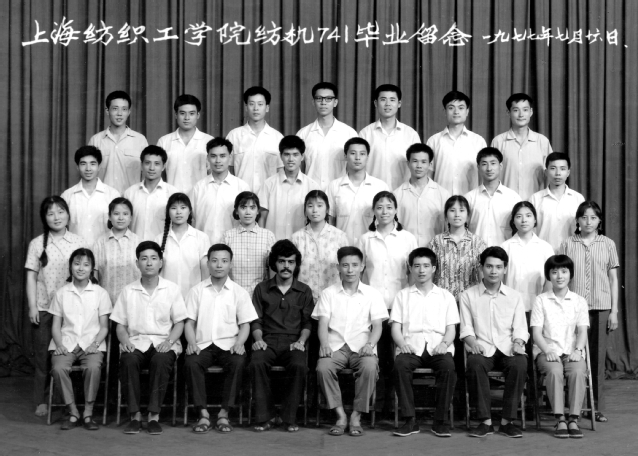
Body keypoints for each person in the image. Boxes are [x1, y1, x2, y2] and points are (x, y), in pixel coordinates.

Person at [110, 241, 187, 435]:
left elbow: (179, 322)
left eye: (153, 258)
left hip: (164, 342)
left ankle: (154, 416)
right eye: (144, 259)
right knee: (128, 360)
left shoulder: (172, 289)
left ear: (161, 262)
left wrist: (169, 342)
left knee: (161, 360)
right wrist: (125, 342)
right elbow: (120, 324)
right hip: (136, 342)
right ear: (137, 263)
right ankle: (135, 416)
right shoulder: (128, 291)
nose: (149, 263)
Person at [313, 247, 389, 437]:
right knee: (323, 367)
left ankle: (356, 416)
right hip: (335, 346)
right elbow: (323, 323)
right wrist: (324, 345)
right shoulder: (328, 293)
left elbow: (377, 326)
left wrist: (370, 345)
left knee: (370, 366)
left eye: (355, 265)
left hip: (362, 347)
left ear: (362, 267)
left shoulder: (372, 294)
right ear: (338, 267)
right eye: (345, 265)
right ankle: (340, 416)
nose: (350, 270)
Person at [183, 244, 257, 434]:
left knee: (238, 362)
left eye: (224, 261)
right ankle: (203, 414)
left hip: (229, 345)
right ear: (208, 263)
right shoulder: (197, 290)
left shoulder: (239, 292)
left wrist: (239, 343)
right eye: (214, 261)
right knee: (191, 362)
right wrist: (191, 343)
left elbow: (245, 324)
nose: (219, 265)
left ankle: (224, 414)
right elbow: (189, 322)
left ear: (230, 264)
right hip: (203, 345)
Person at [25, 196, 87, 417]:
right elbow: (31, 277)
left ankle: (71, 400)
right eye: (50, 213)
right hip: (45, 307)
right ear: (45, 218)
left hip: (72, 310)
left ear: (68, 214)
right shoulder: (37, 244)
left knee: (71, 352)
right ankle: (41, 400)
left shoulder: (79, 242)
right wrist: (33, 306)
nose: (56, 217)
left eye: (60, 212)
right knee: (43, 356)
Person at [559, 201, 619, 422]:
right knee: (573, 356)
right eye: (584, 217)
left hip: (600, 307)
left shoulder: (608, 244)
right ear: (577, 220)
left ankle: (596, 408)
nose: (588, 222)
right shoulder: (567, 244)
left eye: (593, 217)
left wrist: (614, 311)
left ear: (599, 221)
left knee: (597, 359)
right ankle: (574, 406)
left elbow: (613, 279)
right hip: (572, 309)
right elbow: (561, 277)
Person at [460, 247, 529, 438]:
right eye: (489, 266)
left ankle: (507, 422)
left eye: (498, 267)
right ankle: (486, 422)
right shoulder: (468, 295)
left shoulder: (515, 296)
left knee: (520, 364)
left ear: (505, 269)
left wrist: (518, 342)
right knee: (474, 363)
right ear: (481, 268)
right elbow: (466, 328)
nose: (493, 271)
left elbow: (521, 327)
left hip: (508, 346)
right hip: (482, 346)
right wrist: (473, 343)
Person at [391, 247, 458, 438]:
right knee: (400, 366)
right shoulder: (402, 295)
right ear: (410, 268)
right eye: (417, 266)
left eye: (426, 266)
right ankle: (410, 420)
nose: (421, 270)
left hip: (438, 346)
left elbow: (451, 328)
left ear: (434, 268)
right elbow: (395, 327)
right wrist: (402, 344)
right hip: (411, 347)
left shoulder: (446, 296)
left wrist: (444, 344)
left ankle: (440, 421)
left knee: (448, 368)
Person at [250, 240, 314, 432]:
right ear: (274, 263)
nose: (286, 266)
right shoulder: (262, 288)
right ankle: (266, 417)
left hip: (294, 342)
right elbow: (256, 320)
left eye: (291, 262)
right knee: (257, 362)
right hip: (267, 341)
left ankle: (288, 418)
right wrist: (259, 340)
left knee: (299, 365)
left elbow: (307, 323)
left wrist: (301, 342)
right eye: (282, 261)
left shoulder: (304, 290)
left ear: (296, 265)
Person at [49, 248, 112, 430]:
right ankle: (73, 412)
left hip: (92, 344)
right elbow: (56, 325)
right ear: (71, 267)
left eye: (86, 264)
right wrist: (59, 345)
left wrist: (95, 344)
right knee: (59, 368)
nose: (81, 268)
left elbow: (104, 327)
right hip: (66, 342)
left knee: (93, 368)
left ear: (92, 268)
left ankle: (88, 413)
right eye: (77, 264)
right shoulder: (61, 293)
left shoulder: (100, 293)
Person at [531, 255, 589, 439]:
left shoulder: (579, 301)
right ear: (548, 275)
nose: (559, 276)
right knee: (555, 371)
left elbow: (582, 331)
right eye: (554, 272)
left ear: (570, 274)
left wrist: (578, 350)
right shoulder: (541, 300)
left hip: (572, 352)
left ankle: (573, 418)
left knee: (578, 371)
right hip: (547, 351)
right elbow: (536, 333)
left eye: (564, 271)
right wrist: (547, 350)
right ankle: (560, 418)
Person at [326, 137, 389, 245]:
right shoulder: (334, 186)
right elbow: (330, 221)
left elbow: (387, 221)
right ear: (345, 156)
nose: (357, 158)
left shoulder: (380, 187)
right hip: (341, 246)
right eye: (353, 153)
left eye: (362, 154)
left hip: (372, 246)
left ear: (367, 157)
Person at [491, 93, 553, 200]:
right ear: (508, 112)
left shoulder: (542, 142)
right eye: (516, 110)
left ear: (531, 112)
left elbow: (550, 174)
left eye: (525, 110)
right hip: (505, 203)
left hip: (535, 204)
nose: (521, 115)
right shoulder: (498, 142)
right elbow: (491, 175)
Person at [296, 82, 358, 189]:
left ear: (335, 102)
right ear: (313, 102)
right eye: (319, 98)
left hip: (340, 192)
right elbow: (297, 167)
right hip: (310, 192)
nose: (323, 102)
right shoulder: (303, 134)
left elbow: (356, 167)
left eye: (328, 99)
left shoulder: (349, 133)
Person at [359, 84, 421, 190]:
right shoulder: (365, 134)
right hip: (372, 192)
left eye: (392, 100)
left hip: (403, 192)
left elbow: (419, 164)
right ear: (376, 103)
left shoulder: (411, 134)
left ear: (399, 104)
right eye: (383, 99)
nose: (387, 104)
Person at [291, 190, 349, 303]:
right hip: (303, 299)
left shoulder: (340, 236)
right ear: (305, 210)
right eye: (310, 206)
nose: (315, 210)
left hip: (334, 299)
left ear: (327, 209)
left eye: (319, 205)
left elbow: (346, 268)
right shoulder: (296, 238)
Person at [258, 135, 319, 240]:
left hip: (302, 244)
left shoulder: (312, 186)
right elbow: (262, 218)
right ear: (281, 156)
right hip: (274, 243)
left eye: (295, 155)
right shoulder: (268, 184)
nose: (291, 159)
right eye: (286, 154)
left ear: (302, 156)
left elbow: (317, 219)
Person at [190, 137, 250, 244]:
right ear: (208, 158)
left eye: (222, 156)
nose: (218, 161)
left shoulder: (241, 187)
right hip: (204, 247)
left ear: (230, 157)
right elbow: (191, 219)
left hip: (234, 246)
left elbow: (248, 220)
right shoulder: (198, 188)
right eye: (213, 156)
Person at [427, 90, 487, 195]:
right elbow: (428, 174)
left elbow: (484, 175)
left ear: (467, 111)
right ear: (444, 111)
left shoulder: (478, 141)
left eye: (461, 108)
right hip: (440, 199)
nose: (456, 112)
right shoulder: (433, 141)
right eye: (451, 108)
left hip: (470, 200)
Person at [428, 195, 487, 302]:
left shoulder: (478, 243)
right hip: (442, 300)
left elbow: (483, 273)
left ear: (468, 216)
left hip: (470, 300)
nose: (457, 215)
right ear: (446, 215)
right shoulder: (437, 241)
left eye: (461, 210)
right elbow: (430, 272)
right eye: (452, 210)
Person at [89, 90, 149, 193]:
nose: (119, 114)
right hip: (103, 199)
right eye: (115, 109)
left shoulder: (140, 140)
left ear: (129, 112)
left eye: (124, 109)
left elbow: (146, 174)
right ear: (107, 111)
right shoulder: (95, 140)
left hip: (130, 199)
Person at [61, 145, 121, 246]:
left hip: (104, 251)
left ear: (99, 166)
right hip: (76, 252)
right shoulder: (67, 196)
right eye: (83, 164)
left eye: (93, 164)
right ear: (77, 167)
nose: (88, 168)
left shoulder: (112, 195)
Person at [500, 201, 554, 313]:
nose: (524, 220)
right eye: (519, 216)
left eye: (528, 216)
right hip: (510, 307)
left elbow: (550, 279)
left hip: (538, 308)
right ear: (513, 221)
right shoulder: (505, 247)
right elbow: (500, 278)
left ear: (535, 220)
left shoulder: (545, 247)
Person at [227, 86, 284, 192]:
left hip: (268, 195)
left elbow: (281, 171)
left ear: (267, 108)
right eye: (251, 104)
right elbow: (228, 169)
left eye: (260, 104)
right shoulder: (234, 136)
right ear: (246, 107)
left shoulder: (277, 137)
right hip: (240, 195)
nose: (256, 108)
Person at [394, 143, 451, 247]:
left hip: (435, 251)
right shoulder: (397, 195)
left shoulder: (443, 194)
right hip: (406, 251)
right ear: (408, 163)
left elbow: (448, 228)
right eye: (415, 161)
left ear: (430, 164)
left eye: (423, 162)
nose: (419, 166)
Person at [156, 193, 210, 298]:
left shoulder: (201, 237)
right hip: (165, 297)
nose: (178, 212)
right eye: (174, 208)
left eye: (183, 207)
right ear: (168, 212)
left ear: (189, 211)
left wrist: (204, 296)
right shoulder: (159, 239)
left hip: (193, 296)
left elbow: (205, 271)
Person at [222, 192, 276, 298]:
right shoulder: (227, 236)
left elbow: (273, 268)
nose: (248, 212)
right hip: (233, 295)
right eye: (243, 207)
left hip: (261, 296)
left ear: (258, 211)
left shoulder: (268, 236)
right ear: (236, 211)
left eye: (252, 207)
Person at [464, 147, 522, 246]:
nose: (489, 168)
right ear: (478, 167)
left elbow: (520, 229)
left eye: (493, 163)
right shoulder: (469, 198)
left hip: (504, 252)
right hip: (476, 252)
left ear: (501, 166)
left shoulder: (513, 197)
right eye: (484, 164)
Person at [529, 152, 585, 252]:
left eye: (562, 169)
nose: (558, 173)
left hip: (572, 253)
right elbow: (529, 230)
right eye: (553, 168)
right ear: (546, 172)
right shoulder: (535, 199)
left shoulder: (578, 198)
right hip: (542, 254)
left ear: (568, 172)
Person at [157, 94, 213, 193]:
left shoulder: (209, 141)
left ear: (198, 115)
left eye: (191, 113)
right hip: (172, 198)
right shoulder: (164, 142)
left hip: (200, 197)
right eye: (182, 113)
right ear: (176, 115)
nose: (187, 118)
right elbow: (159, 174)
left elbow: (213, 173)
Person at [124, 145, 178, 241]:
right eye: (147, 163)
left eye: (157, 164)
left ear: (163, 167)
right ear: (141, 165)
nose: (151, 168)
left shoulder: (172, 193)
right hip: (135, 247)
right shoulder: (130, 193)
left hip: (163, 247)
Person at [93, 197, 142, 305]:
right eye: (116, 214)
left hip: (134, 301)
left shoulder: (138, 242)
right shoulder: (100, 242)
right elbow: (95, 275)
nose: (121, 218)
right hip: (107, 302)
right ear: (109, 216)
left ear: (131, 217)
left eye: (125, 214)